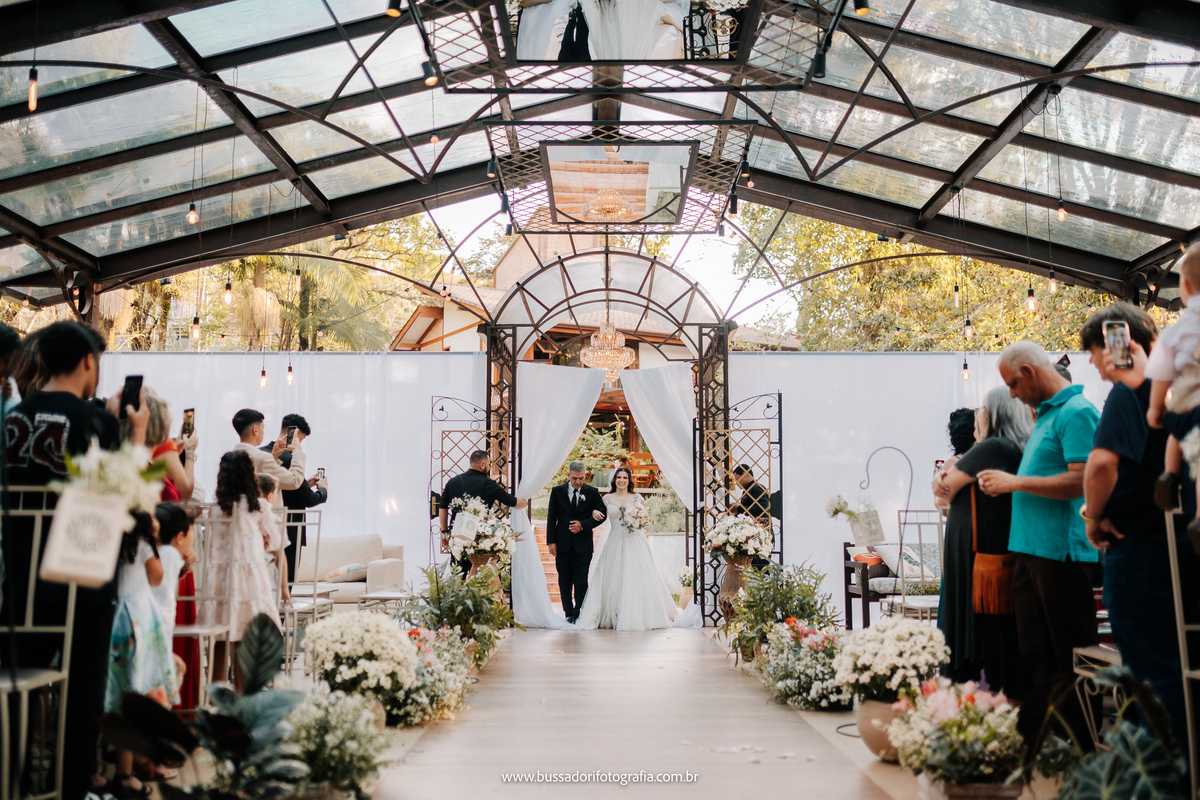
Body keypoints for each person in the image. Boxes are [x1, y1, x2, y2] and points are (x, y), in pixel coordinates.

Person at [1, 320, 149, 800]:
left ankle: (14, 778)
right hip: (79, 584)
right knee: (83, 686)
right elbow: (122, 502)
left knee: (18, 679)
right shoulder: (94, 423)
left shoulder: (11, 419)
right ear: (89, 361)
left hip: (19, 581)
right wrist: (135, 434)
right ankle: (74, 784)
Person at [1079, 303, 1200, 751]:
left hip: (1140, 550)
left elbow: (1101, 464)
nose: (1095, 364)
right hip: (1182, 544)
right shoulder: (1180, 393)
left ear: (1115, 343)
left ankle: (1166, 772)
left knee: (1152, 674)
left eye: (1094, 352)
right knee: (1181, 666)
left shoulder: (1127, 395)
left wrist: (1093, 516)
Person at [976, 340, 1100, 751]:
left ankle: (1082, 746)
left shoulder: (1077, 412)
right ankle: (1053, 741)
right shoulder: (1046, 416)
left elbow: (1082, 481)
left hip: (1060, 552)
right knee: (1035, 651)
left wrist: (1015, 483)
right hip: (1029, 551)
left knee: (1070, 653)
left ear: (1029, 372)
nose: (1012, 395)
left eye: (1013, 384)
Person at [933, 387, 1034, 698]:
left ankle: (967, 693)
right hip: (992, 545)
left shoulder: (992, 446)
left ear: (995, 414)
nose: (979, 414)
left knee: (968, 624)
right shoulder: (1016, 446)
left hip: (973, 553)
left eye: (984, 409)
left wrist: (940, 476)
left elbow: (945, 488)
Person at [105, 511, 175, 799]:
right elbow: (156, 578)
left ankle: (105, 767)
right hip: (134, 624)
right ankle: (125, 774)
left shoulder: (113, 539)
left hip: (110, 619)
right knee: (132, 698)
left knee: (112, 697)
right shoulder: (143, 545)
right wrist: (154, 541)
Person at [198, 451, 282, 690]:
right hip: (248, 581)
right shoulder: (257, 507)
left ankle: (216, 695)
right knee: (244, 640)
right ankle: (242, 695)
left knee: (220, 640)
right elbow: (275, 541)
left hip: (219, 580)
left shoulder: (215, 508)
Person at [575, 467, 678, 630]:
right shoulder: (607, 498)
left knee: (635, 576)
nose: (621, 480)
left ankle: (637, 613)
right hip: (614, 541)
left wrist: (636, 520)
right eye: (619, 477)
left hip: (634, 541)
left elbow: (644, 520)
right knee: (612, 577)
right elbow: (597, 512)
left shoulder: (637, 497)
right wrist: (594, 511)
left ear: (629, 480)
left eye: (624, 477)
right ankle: (612, 613)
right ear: (614, 480)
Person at [1144, 244, 1200, 541]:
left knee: (1177, 434)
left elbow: (1161, 375)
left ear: (1186, 287)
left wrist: (1155, 409)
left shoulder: (1175, 332)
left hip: (1187, 410)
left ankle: (1169, 474)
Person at [260, 414, 326, 581]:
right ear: (295, 434)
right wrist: (323, 490)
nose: (300, 444)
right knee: (285, 583)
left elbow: (285, 486)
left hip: (262, 527)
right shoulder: (291, 458)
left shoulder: (260, 454)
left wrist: (306, 483)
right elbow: (308, 499)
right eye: (301, 439)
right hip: (289, 528)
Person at [439, 450, 528, 575]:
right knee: (482, 576)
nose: (489, 467)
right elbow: (511, 501)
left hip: (458, 538)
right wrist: (526, 501)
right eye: (489, 464)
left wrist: (444, 533)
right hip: (481, 539)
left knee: (457, 575)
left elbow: (443, 508)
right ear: (482, 465)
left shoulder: (453, 482)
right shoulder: (489, 484)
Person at [546, 461, 607, 622]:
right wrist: (551, 542)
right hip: (562, 544)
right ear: (568, 475)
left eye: (581, 478)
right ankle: (568, 613)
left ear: (585, 476)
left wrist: (583, 525)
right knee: (564, 580)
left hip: (583, 545)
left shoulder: (592, 492)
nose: (578, 482)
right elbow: (551, 518)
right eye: (574, 478)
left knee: (581, 580)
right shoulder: (557, 491)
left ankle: (579, 611)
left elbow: (603, 514)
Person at [152, 502, 195, 716]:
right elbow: (161, 604)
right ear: (180, 537)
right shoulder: (169, 555)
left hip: (155, 638)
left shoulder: (160, 553)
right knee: (156, 704)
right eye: (191, 532)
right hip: (156, 639)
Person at [231, 408, 306, 494]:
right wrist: (298, 451)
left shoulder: (231, 457)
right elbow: (294, 481)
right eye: (263, 428)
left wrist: (273, 456)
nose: (263, 433)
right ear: (255, 430)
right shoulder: (263, 458)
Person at [256, 474, 291, 607]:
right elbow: (280, 556)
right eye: (276, 492)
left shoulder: (242, 517)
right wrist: (284, 588)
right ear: (270, 496)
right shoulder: (274, 520)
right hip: (267, 580)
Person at [933, 408, 976, 511]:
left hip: (964, 519)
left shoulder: (952, 462)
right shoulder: (984, 457)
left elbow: (942, 507)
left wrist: (936, 478)